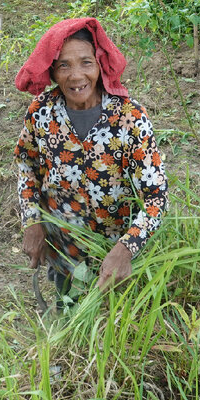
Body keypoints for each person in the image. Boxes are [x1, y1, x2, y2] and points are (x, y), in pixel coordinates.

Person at [13, 17, 168, 298]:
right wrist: (32, 221)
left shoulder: (130, 118)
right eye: (64, 65)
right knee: (67, 321)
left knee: (117, 330)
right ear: (52, 71)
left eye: (86, 62)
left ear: (100, 63)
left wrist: (126, 249)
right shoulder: (41, 113)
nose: (76, 76)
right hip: (62, 249)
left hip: (118, 259)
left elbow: (156, 198)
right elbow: (28, 167)